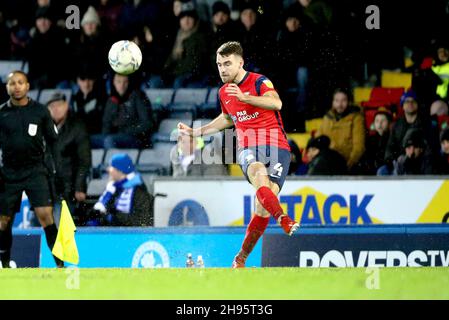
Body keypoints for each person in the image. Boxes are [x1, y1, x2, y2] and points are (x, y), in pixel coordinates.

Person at [177, 41, 299, 268]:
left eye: (227, 64)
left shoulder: (259, 81)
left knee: (263, 205)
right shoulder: (224, 92)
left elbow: (277, 103)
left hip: (277, 146)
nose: (222, 69)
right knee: (258, 174)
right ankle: (283, 218)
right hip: (248, 146)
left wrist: (245, 98)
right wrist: (197, 132)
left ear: (240, 63)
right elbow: (226, 118)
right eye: (219, 65)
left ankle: (240, 258)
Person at [0, 71, 63, 268]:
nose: (16, 86)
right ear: (7, 88)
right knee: (3, 221)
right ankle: (4, 264)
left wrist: (56, 170)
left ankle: (60, 265)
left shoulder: (41, 111)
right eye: (12, 83)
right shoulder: (1, 113)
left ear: (27, 86)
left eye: (20, 82)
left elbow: (53, 142)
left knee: (46, 216)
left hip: (36, 171)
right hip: (8, 173)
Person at [46, 92, 92, 226]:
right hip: (46, 190)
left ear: (66, 106)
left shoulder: (77, 127)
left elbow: (84, 160)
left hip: (68, 188)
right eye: (52, 106)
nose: (55, 109)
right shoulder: (43, 128)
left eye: (59, 105)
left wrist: (79, 187)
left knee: (62, 227)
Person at [91, 73, 154, 149]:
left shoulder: (138, 96)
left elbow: (147, 123)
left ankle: (114, 160)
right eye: (119, 82)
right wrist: (106, 134)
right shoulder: (112, 100)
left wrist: (127, 131)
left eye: (125, 82)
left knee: (109, 140)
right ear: (114, 82)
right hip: (115, 136)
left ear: (129, 82)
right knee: (90, 140)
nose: (122, 85)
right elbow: (106, 123)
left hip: (135, 138)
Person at [383, 90, 439, 175]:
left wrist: (416, 155)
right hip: (400, 160)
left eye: (413, 101)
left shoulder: (426, 123)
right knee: (382, 171)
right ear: (402, 105)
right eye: (407, 101)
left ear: (417, 104)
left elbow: (431, 145)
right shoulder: (396, 125)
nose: (410, 103)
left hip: (422, 160)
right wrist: (392, 160)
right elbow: (390, 146)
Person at [92, 153, 153, 226]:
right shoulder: (114, 189)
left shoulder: (138, 191)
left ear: (120, 170)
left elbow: (141, 221)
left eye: (111, 167)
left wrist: (114, 214)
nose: (108, 170)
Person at [315, 88, 366, 173]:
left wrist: (348, 166)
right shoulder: (327, 118)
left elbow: (359, 148)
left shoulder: (356, 118)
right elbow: (317, 141)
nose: (340, 104)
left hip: (344, 162)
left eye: (343, 101)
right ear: (332, 102)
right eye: (336, 101)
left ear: (349, 102)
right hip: (326, 160)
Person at [363, 107, 392, 175]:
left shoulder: (392, 138)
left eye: (383, 120)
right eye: (377, 121)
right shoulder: (369, 140)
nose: (380, 123)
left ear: (389, 123)